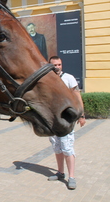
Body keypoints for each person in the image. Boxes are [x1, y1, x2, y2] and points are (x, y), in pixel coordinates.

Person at [48, 55, 85, 190]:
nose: (57, 67)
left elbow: (77, 95)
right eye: (54, 65)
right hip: (52, 120)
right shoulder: (46, 79)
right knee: (57, 147)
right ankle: (60, 172)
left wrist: (81, 114)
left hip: (66, 119)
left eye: (59, 65)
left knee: (67, 148)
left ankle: (72, 177)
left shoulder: (69, 78)